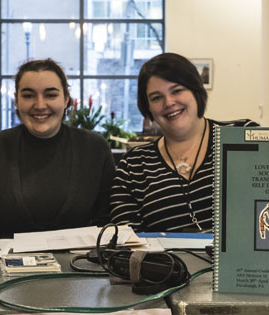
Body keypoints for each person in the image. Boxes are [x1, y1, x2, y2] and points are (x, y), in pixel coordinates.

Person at [0, 58, 115, 238]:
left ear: (66, 99)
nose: (40, 105)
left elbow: (107, 224)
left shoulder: (95, 148)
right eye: (28, 95)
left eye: (50, 95)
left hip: (80, 264)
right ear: (16, 101)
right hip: (3, 263)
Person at [109, 52, 258, 232]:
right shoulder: (133, 166)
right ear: (147, 107)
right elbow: (129, 243)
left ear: (195, 90)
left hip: (243, 260)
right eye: (156, 98)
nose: (169, 102)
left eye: (177, 90)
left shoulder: (244, 136)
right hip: (167, 261)